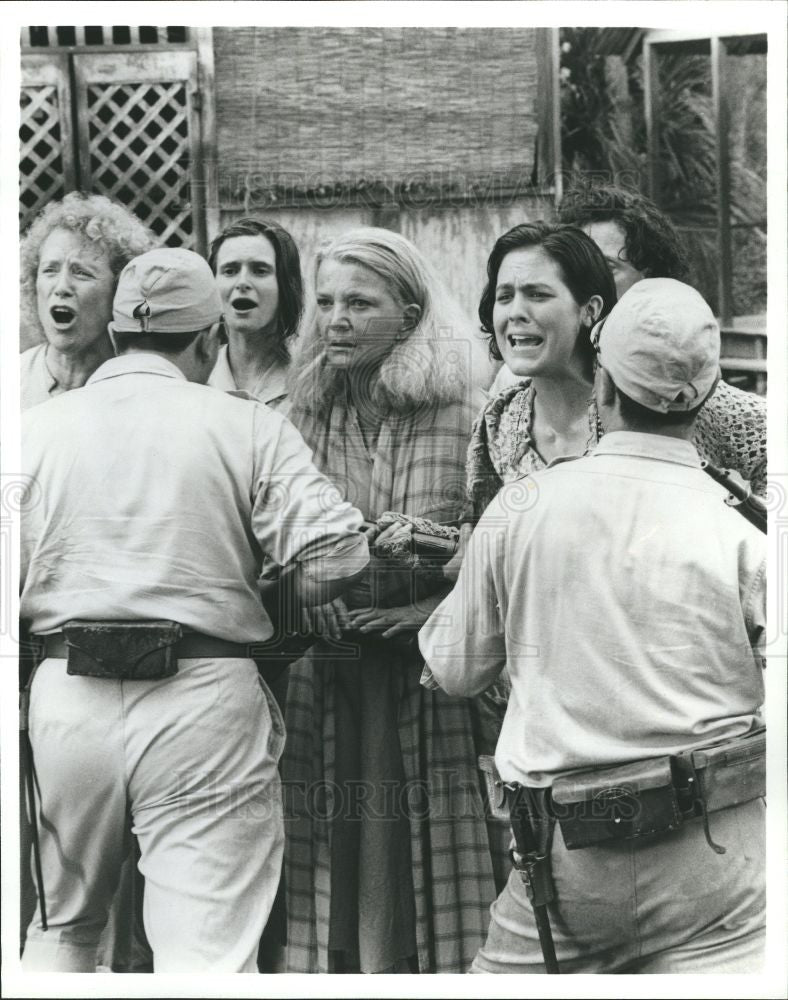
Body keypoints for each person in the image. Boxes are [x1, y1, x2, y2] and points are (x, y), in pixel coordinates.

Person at [20, 247, 369, 972]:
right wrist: (273, 596)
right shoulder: (245, 425)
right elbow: (338, 555)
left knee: (61, 935)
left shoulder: (32, 430)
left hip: (64, 699)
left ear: (115, 335)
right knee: (206, 959)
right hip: (204, 697)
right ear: (209, 337)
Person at [420, 277, 766, 974]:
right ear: (705, 397)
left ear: (603, 387)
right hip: (721, 860)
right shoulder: (745, 525)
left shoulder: (523, 506)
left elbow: (455, 669)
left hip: (565, 862)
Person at [281, 227, 498, 974]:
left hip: (429, 676)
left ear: (408, 315)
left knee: (422, 848)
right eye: (326, 302)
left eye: (359, 303)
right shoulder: (300, 413)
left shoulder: (466, 411)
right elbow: (269, 535)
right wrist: (305, 594)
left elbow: (498, 551)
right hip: (327, 666)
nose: (335, 318)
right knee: (326, 849)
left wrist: (430, 615)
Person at [19, 191, 155, 410]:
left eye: (81, 272)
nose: (61, 287)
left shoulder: (140, 388)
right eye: (49, 270)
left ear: (120, 289)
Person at [207, 217, 302, 414]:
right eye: (230, 271)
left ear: (284, 285)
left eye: (259, 270)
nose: (242, 282)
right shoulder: (195, 380)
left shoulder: (307, 385)